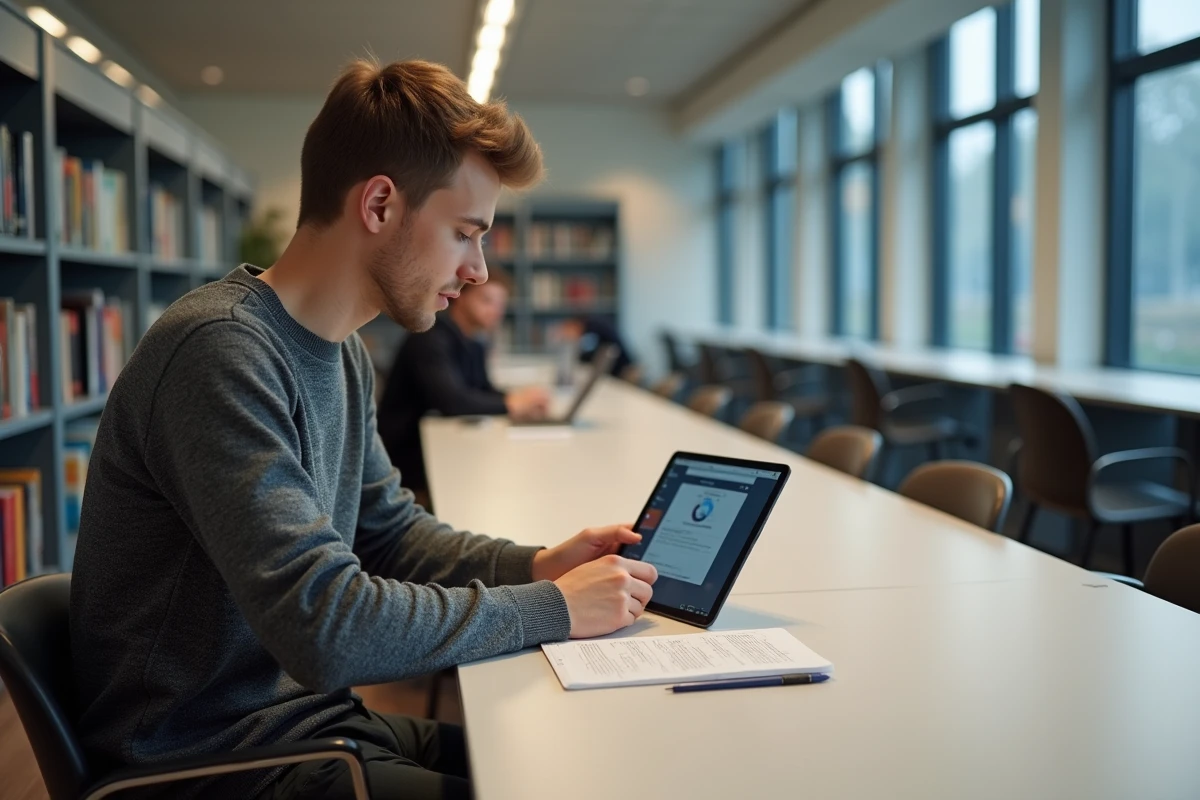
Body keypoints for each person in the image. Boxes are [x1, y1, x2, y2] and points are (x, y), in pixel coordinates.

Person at [69, 58, 657, 800]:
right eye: (464, 234)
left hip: (304, 726)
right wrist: (556, 608)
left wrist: (539, 565)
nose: (478, 271)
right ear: (379, 205)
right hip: (206, 763)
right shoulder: (218, 351)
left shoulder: (341, 349)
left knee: (569, 768)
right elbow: (327, 625)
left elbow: (389, 534)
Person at [377, 268, 548, 500]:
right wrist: (512, 404)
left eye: (501, 304)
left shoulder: (475, 342)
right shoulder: (430, 336)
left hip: (440, 447)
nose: (496, 311)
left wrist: (521, 400)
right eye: (486, 300)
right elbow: (453, 401)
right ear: (461, 296)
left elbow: (482, 389)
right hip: (407, 458)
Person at [558, 315, 634, 376]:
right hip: (619, 365)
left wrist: (581, 359)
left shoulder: (593, 327)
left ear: (574, 325)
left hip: (624, 368)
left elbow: (592, 353)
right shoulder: (592, 326)